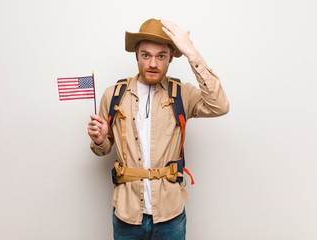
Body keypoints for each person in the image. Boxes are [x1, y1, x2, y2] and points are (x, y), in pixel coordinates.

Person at [88, 18, 229, 240]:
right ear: (136, 54)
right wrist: (100, 140)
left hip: (170, 215)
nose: (153, 63)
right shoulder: (114, 94)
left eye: (161, 56)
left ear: (171, 57)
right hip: (127, 214)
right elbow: (102, 149)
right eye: (146, 55)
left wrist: (192, 52)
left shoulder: (182, 93)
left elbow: (220, 105)